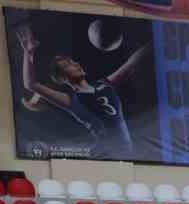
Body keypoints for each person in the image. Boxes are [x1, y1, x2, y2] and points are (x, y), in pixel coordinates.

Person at [15, 23, 148, 159]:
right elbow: (30, 84)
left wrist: (152, 45)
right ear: (62, 77)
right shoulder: (72, 101)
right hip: (105, 156)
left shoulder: (104, 84)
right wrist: (28, 53)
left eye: (73, 61)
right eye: (68, 65)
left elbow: (131, 63)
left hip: (126, 154)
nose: (76, 64)